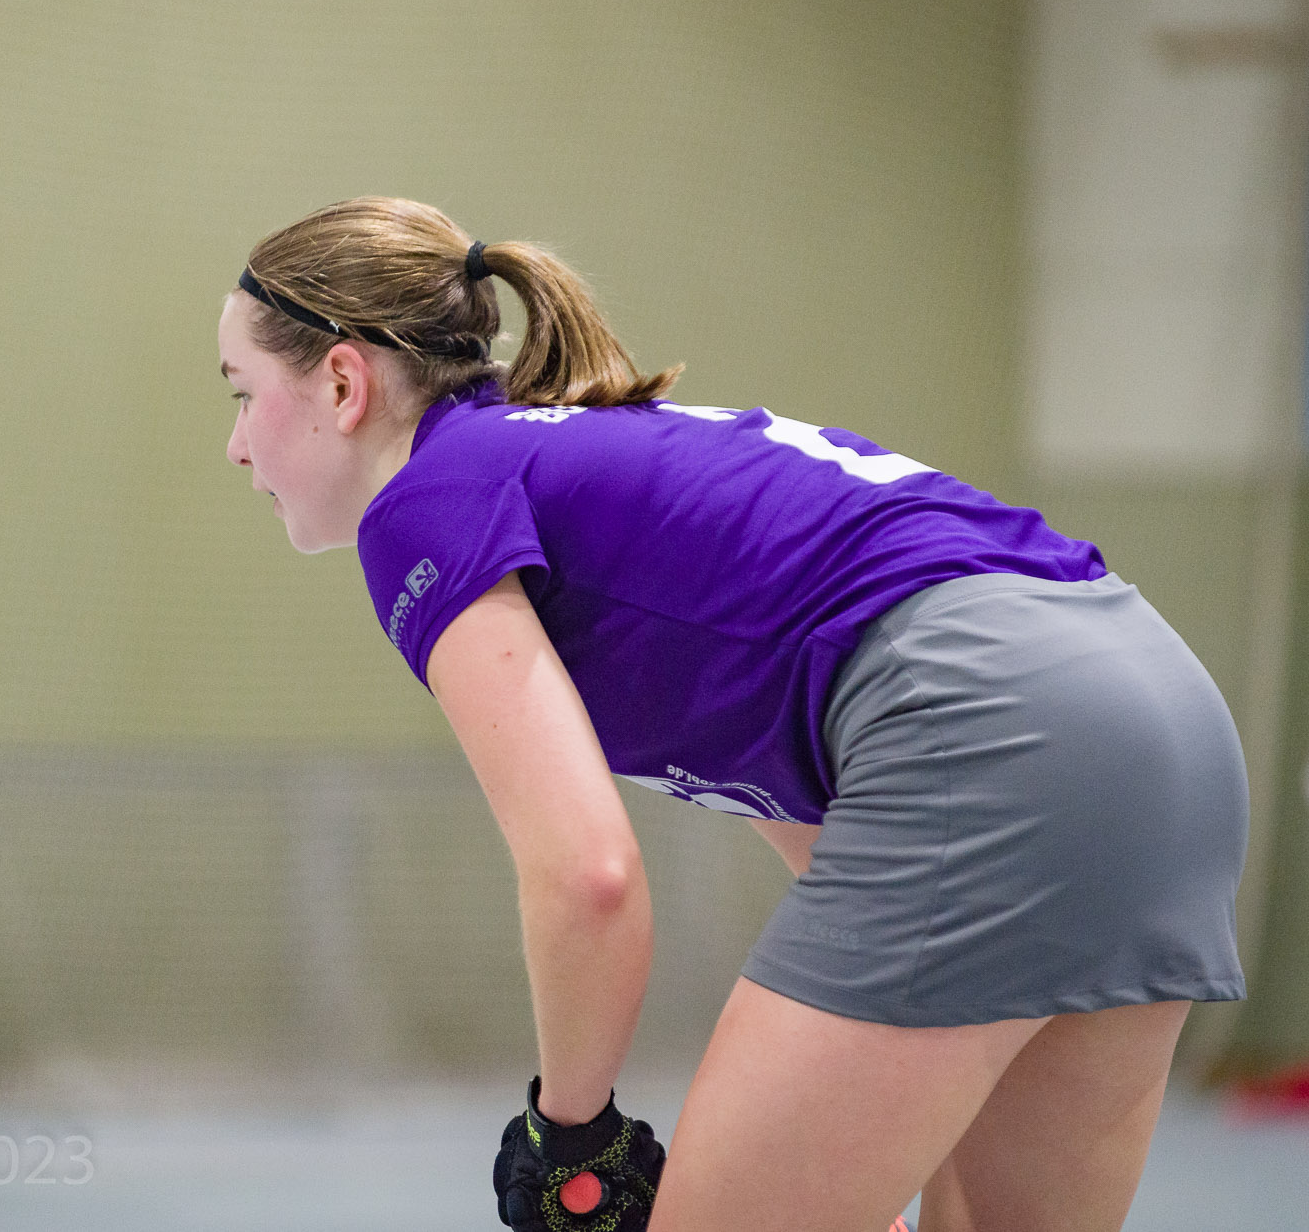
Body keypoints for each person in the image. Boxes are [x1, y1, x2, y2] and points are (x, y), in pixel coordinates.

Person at [217, 197, 1248, 1232]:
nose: (235, 445)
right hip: (1157, 719)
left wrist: (568, 1130)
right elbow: (830, 831)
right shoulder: (583, 454)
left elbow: (588, 877)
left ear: (342, 384)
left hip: (981, 721)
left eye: (242, 393)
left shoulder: (426, 501)